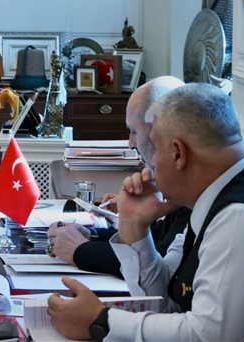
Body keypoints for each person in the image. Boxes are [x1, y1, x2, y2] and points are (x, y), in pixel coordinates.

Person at [47, 84, 244, 341]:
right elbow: (166, 302)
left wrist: (102, 320)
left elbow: (205, 336)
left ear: (178, 153)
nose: (149, 163)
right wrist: (134, 226)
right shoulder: (221, 195)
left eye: (154, 149)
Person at [47, 77, 191, 277]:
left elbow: (157, 264)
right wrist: (92, 236)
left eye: (134, 131)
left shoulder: (195, 191)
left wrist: (81, 250)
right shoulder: (183, 186)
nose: (131, 143)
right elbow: (159, 236)